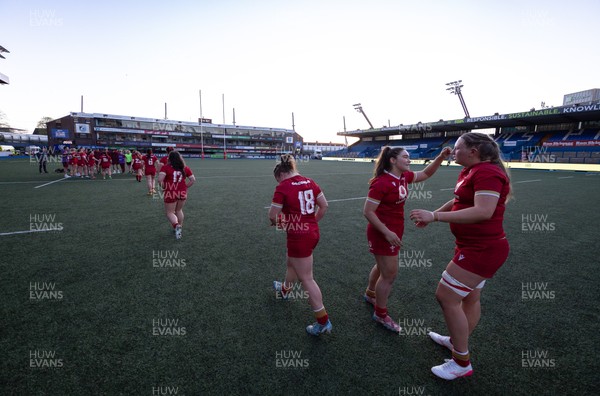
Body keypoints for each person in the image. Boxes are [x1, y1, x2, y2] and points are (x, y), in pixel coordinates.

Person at [409, 132, 511, 380]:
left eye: (456, 148)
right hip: (471, 245)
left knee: (445, 296)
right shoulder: (470, 171)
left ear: (473, 151)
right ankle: (456, 341)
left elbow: (484, 211)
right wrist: (434, 214)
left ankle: (461, 362)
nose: (453, 152)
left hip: (483, 249)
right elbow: (457, 200)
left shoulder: (487, 172)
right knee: (470, 298)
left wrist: (435, 217)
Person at [363, 146, 451, 333]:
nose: (409, 160)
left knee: (382, 267)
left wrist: (441, 157)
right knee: (389, 274)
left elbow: (426, 173)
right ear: (393, 161)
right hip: (382, 233)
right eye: (405, 157)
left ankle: (370, 294)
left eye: (409, 157)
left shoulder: (403, 177)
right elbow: (368, 212)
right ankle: (380, 313)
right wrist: (387, 232)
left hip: (394, 231)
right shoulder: (381, 182)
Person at [268, 154, 331, 336]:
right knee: (291, 263)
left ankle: (323, 321)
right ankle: (285, 290)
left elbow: (272, 216)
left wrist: (283, 224)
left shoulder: (282, 187)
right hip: (311, 232)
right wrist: (311, 223)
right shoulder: (310, 181)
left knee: (307, 278)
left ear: (280, 174)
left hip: (299, 236)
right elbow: (324, 206)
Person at [157, 150, 195, 240]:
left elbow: (160, 180)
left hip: (171, 191)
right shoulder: (185, 168)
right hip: (182, 191)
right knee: (179, 210)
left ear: (169, 158)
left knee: (170, 212)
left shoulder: (166, 167)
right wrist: (185, 187)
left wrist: (164, 187)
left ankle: (176, 226)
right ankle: (179, 227)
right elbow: (193, 180)